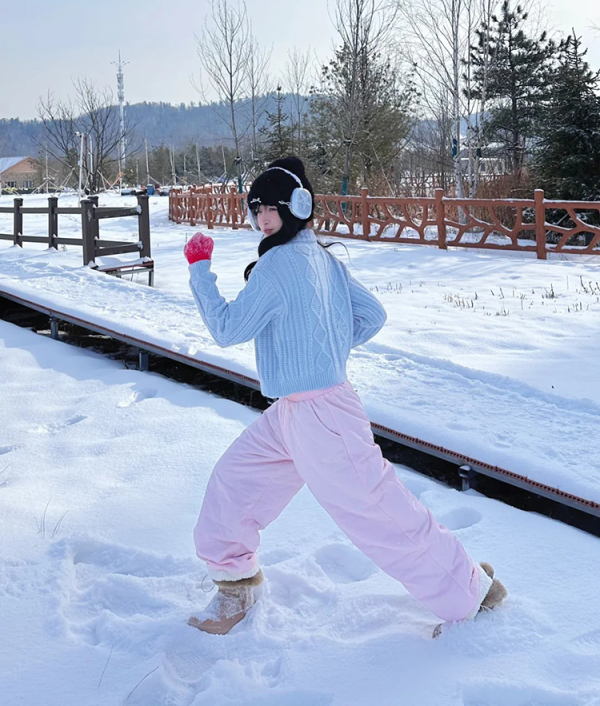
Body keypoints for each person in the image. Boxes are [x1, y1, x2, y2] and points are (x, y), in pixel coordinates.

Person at [183, 156, 507, 636]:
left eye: (270, 207)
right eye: (256, 209)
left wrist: (199, 272)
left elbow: (228, 328)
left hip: (323, 417)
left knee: (378, 513)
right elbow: (371, 316)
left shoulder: (276, 266)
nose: (262, 218)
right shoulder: (324, 260)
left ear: (298, 206)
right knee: (235, 483)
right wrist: (319, 347)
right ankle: (236, 584)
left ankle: (471, 593)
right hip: (294, 411)